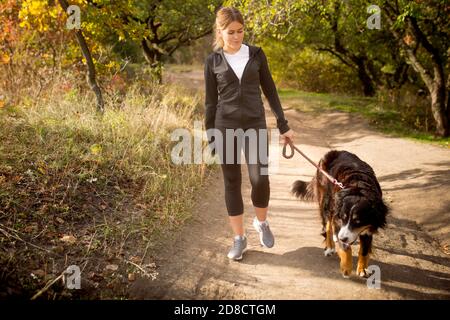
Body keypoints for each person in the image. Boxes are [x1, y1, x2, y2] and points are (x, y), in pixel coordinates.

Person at [203, 6, 295, 260]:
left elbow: (271, 90)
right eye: (230, 32)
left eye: (240, 31)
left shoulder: (256, 54)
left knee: (259, 178)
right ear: (220, 32)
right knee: (232, 182)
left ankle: (261, 222)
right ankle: (239, 239)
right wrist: (211, 134)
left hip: (255, 123)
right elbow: (210, 102)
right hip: (225, 125)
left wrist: (283, 124)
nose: (236, 36)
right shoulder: (213, 61)